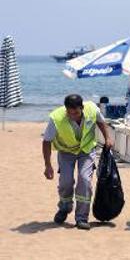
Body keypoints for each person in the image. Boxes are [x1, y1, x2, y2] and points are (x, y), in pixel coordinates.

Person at [42, 94, 113, 230]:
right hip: (66, 151)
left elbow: (101, 122)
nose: (72, 115)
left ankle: (81, 217)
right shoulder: (56, 118)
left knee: (84, 180)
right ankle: (64, 208)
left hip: (86, 150)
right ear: (65, 109)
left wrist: (107, 138)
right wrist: (48, 165)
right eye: (69, 112)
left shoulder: (92, 109)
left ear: (82, 108)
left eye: (76, 112)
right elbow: (46, 141)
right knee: (66, 182)